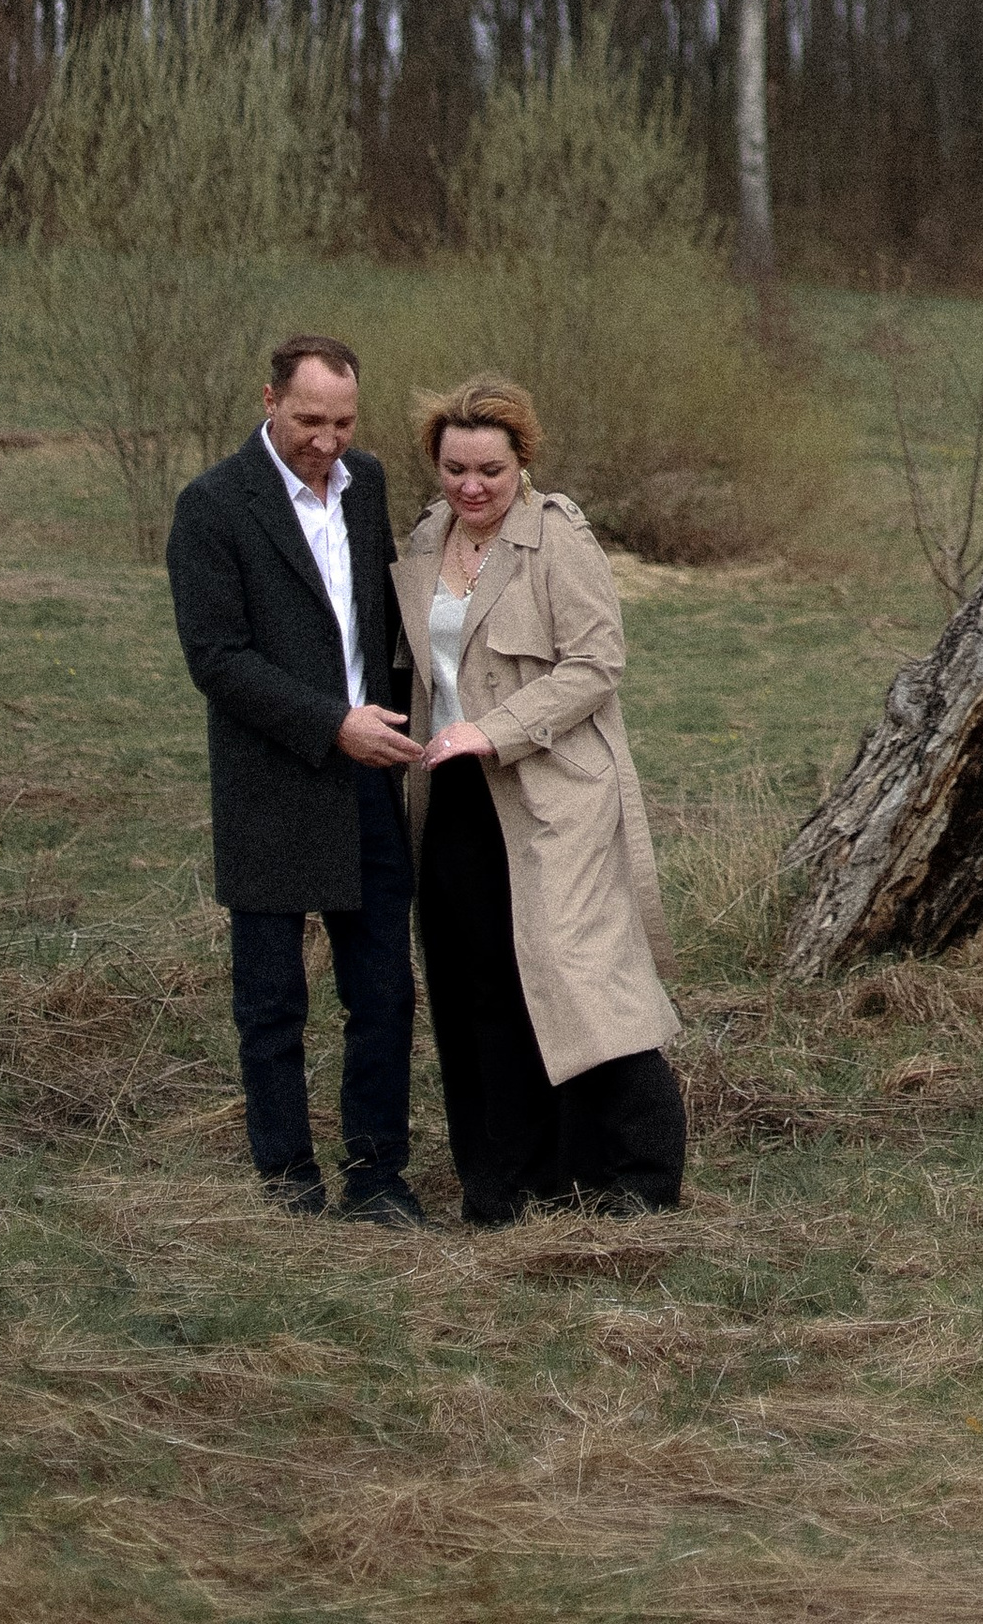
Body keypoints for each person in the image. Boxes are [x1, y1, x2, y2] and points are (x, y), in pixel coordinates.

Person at [393, 374, 686, 1224]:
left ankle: (639, 1178)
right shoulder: (422, 542)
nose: (472, 487)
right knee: (475, 985)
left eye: (490, 468)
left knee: (581, 979)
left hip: (554, 795)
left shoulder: (559, 540)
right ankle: (504, 1182)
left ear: (523, 460)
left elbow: (597, 665)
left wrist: (498, 730)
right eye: (454, 470)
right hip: (450, 801)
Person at [164, 338, 425, 1223]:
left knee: (384, 991)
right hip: (271, 782)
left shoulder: (369, 485)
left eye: (344, 421)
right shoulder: (212, 506)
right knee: (273, 1002)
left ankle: (379, 1178)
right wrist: (330, 724)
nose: (327, 440)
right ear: (269, 399)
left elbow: (382, 623)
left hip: (371, 779)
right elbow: (217, 659)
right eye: (310, 419)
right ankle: (288, 1184)